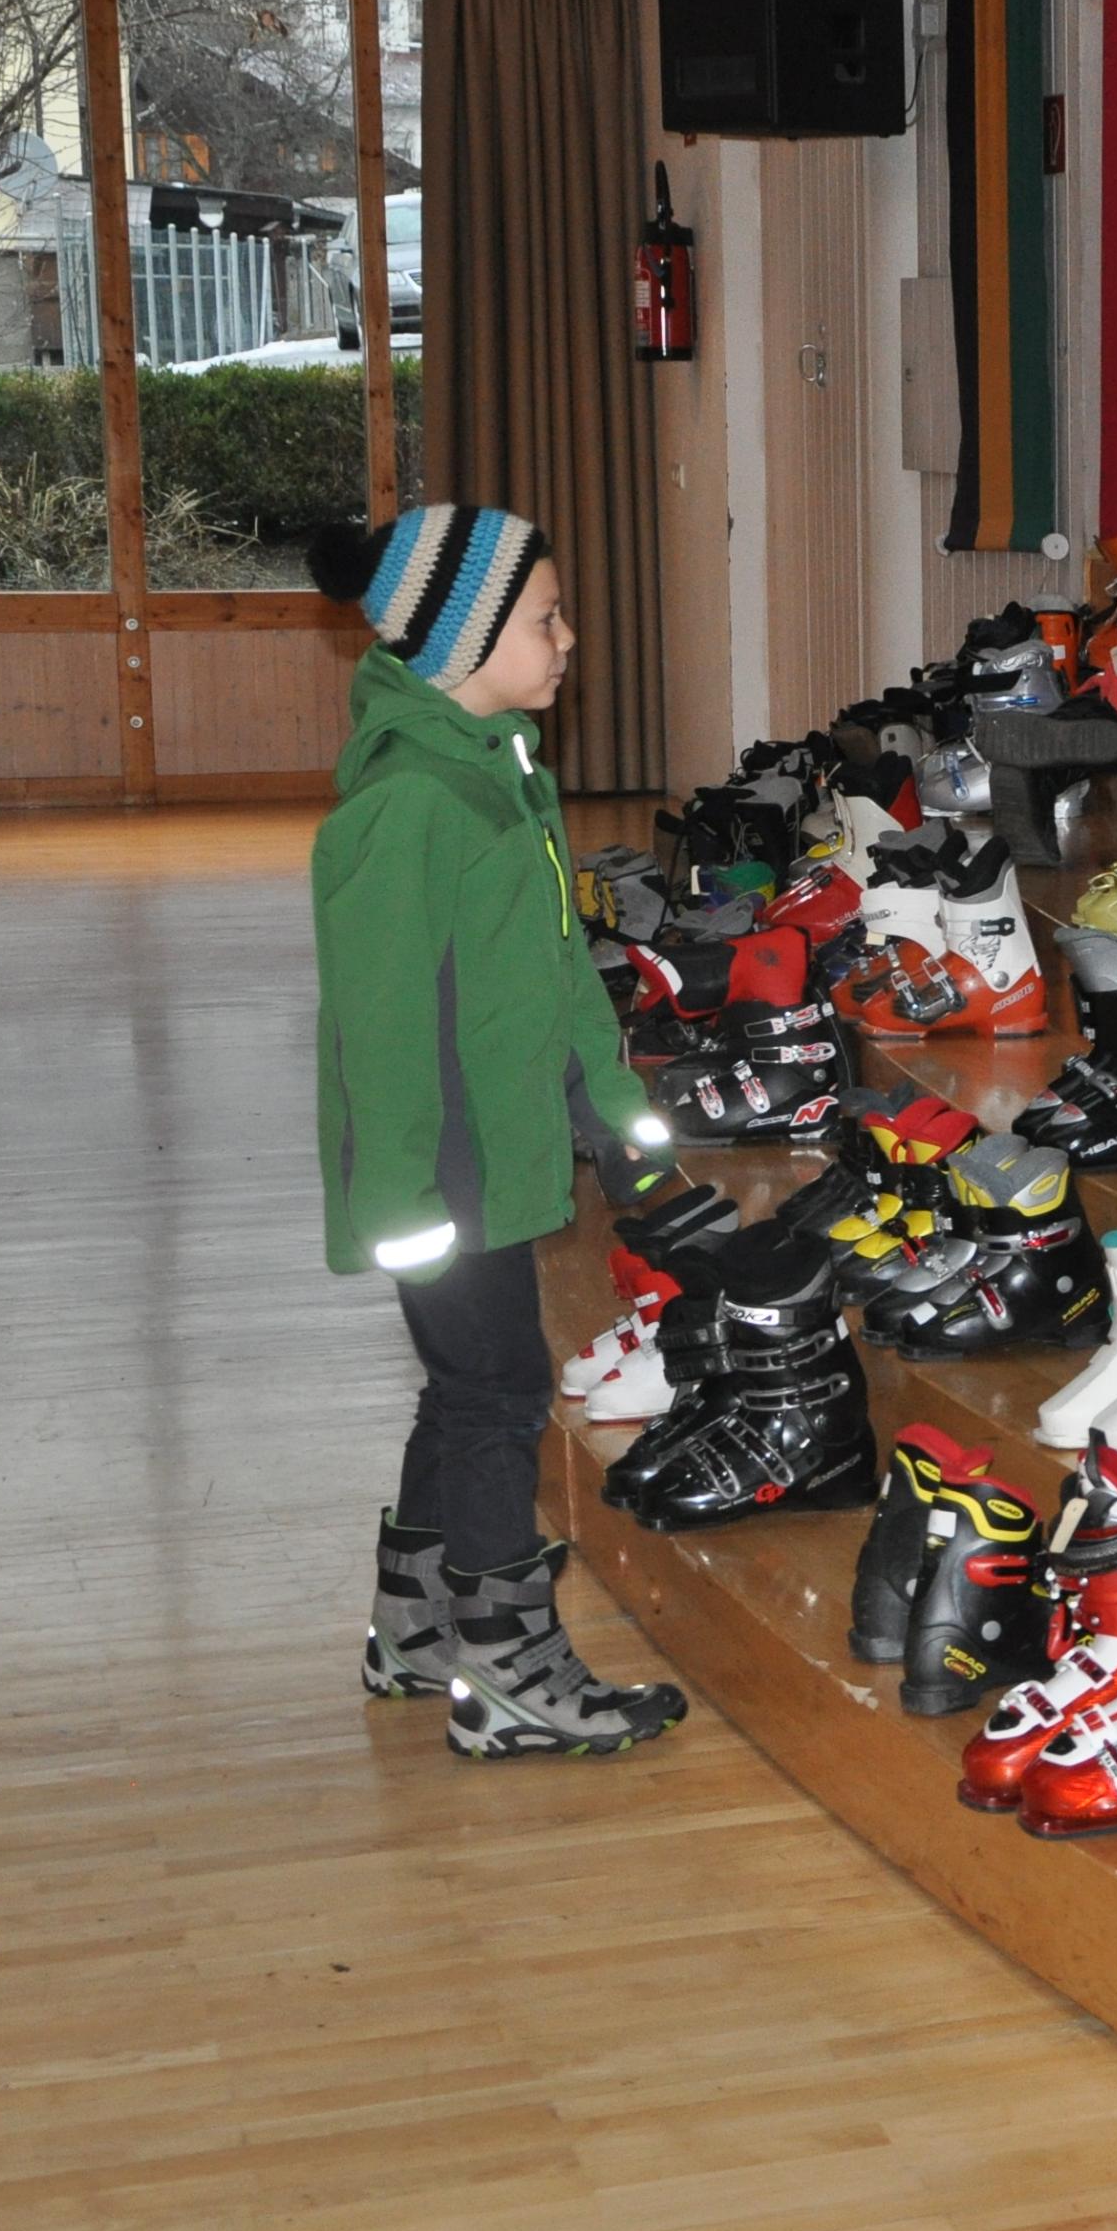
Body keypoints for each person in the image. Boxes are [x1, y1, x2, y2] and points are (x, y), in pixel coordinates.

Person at [306, 504, 695, 1761]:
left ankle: (417, 1628)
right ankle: (509, 1672)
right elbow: (376, 1030)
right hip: (436, 1168)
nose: (568, 638)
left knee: (466, 1386)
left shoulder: (503, 769)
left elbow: (561, 970)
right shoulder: (408, 804)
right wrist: (400, 1203)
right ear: (458, 644)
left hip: (494, 1143)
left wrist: (618, 1117)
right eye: (544, 618)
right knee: (499, 1392)